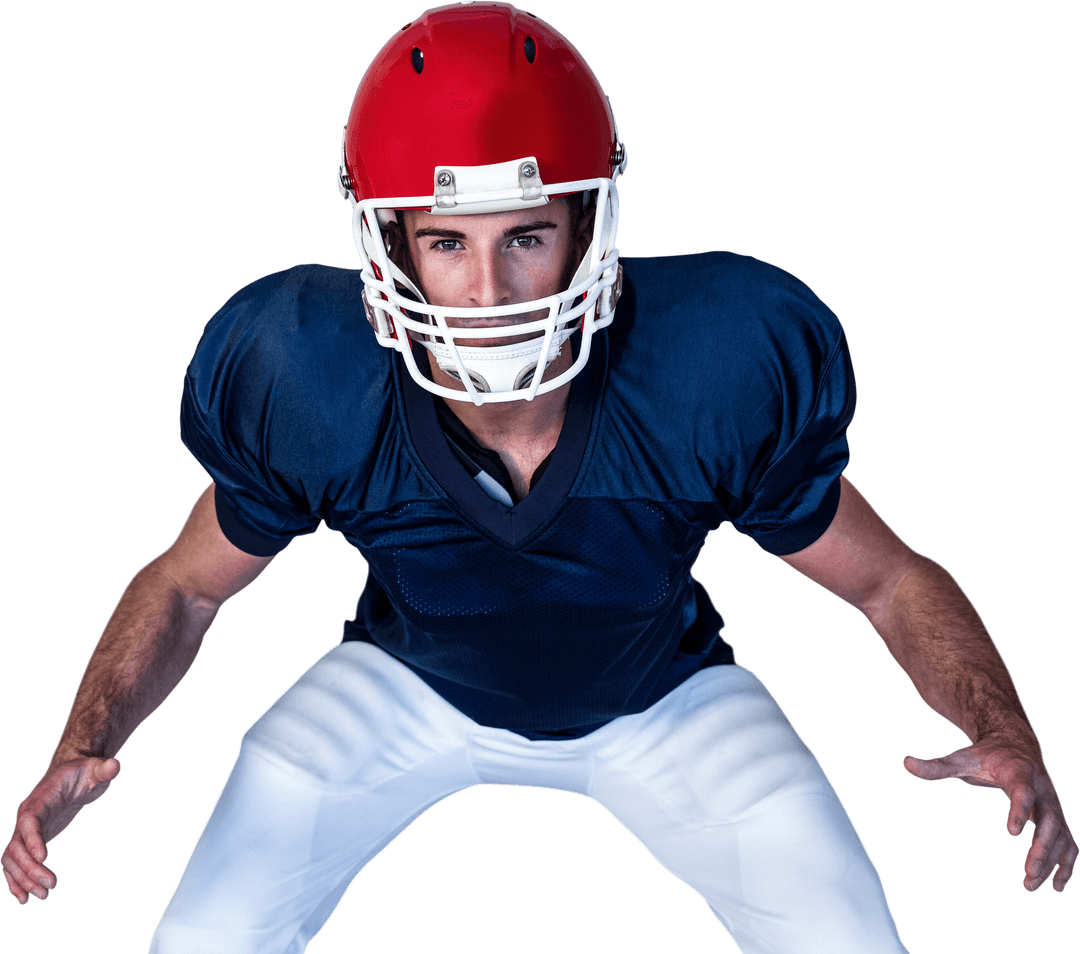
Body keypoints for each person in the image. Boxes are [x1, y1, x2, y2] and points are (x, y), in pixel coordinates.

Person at [3, 3, 1075, 952]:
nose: (486, 293)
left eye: (525, 235)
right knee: (200, 937)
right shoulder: (306, 372)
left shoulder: (708, 365)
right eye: (446, 242)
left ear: (587, 231)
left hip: (660, 695)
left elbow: (887, 580)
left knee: (852, 938)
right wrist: (82, 741)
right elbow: (187, 585)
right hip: (409, 684)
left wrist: (1004, 724)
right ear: (388, 247)